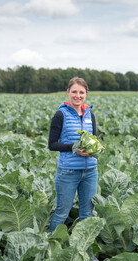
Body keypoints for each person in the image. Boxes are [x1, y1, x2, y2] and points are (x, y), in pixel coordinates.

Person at [48, 77, 98, 233]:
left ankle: (84, 251)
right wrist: (74, 148)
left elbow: (94, 139)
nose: (78, 95)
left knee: (87, 214)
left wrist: (93, 150)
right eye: (74, 91)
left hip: (90, 172)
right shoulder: (60, 115)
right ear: (68, 92)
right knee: (62, 213)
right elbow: (52, 144)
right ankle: (52, 248)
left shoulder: (90, 115)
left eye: (81, 92)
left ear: (86, 94)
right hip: (68, 172)